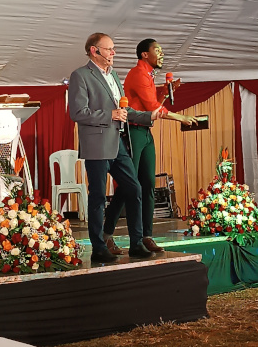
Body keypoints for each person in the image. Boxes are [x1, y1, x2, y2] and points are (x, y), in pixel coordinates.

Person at [68, 33, 164, 263]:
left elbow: (125, 110)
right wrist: (108, 115)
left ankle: (137, 243)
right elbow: (78, 112)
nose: (113, 53)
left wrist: (148, 115)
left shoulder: (114, 76)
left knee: (134, 188)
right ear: (94, 50)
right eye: (109, 49)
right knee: (98, 197)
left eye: (113, 49)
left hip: (118, 142)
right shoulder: (81, 76)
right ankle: (99, 247)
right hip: (97, 144)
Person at [103, 38, 201, 255]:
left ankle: (146, 236)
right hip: (133, 132)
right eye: (157, 50)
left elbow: (153, 105)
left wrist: (166, 92)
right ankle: (106, 234)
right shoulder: (137, 74)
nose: (162, 54)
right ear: (144, 55)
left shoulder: (148, 75)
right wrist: (179, 117)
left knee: (148, 184)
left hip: (145, 132)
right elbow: (151, 107)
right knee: (128, 185)